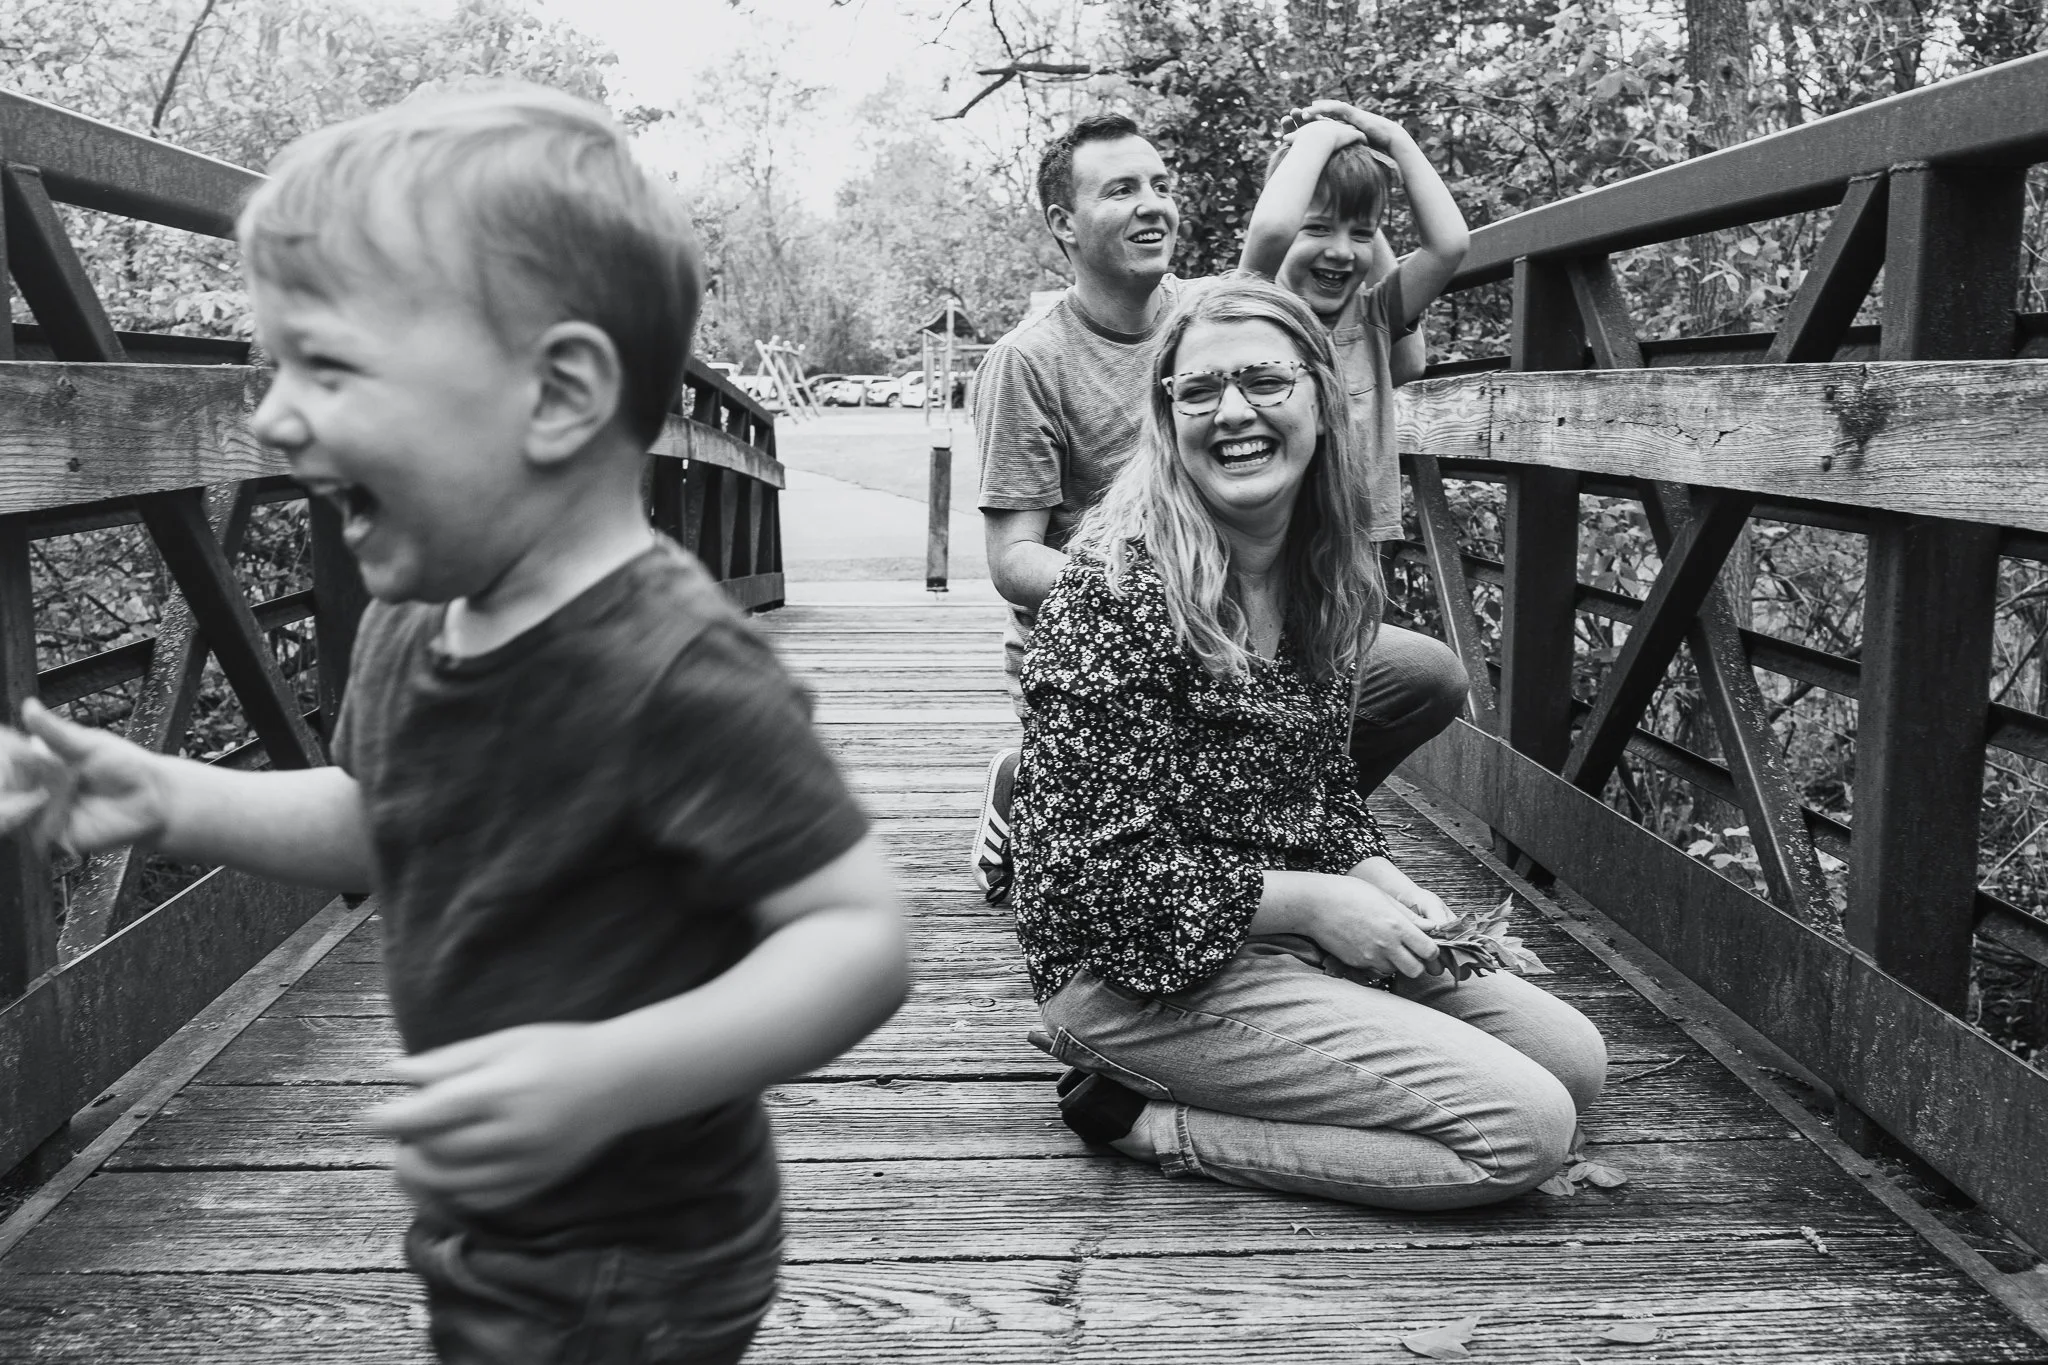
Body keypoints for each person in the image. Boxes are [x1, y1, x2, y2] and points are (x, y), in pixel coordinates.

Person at [0, 86, 908, 1365]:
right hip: (494, 1218)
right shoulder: (415, 618)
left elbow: (856, 938)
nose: (269, 416)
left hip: (635, 1252)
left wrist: (608, 1079)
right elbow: (391, 827)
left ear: (555, 395)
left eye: (325, 366)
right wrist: (167, 796)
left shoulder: (674, 667)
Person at [1012, 276, 1606, 1209]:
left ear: (1323, 402)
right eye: (1199, 391)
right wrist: (1318, 905)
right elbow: (1092, 883)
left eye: (1264, 381)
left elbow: (1321, 794)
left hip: (1263, 931)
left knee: (1574, 1063)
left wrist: (1402, 898)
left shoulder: (1319, 570)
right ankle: (1144, 1120)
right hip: (1130, 972)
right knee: (1519, 1131)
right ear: (1167, 420)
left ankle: (1306, 1040)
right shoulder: (1114, 589)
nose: (1233, 411)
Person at [970, 112, 1461, 904]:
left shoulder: (1215, 313)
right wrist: (1156, 601)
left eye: (1162, 186)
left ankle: (1275, 840)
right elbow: (1012, 558)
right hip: (1112, 648)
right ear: (1063, 223)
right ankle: (1033, 785)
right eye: (1122, 189)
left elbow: (1357, 309)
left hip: (1247, 628)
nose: (1152, 204)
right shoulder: (1029, 361)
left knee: (1426, 675)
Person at [1240, 99, 1470, 544]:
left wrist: (1393, 138)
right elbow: (1269, 231)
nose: (1343, 252)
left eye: (1361, 234)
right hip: (1265, 546)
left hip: (1356, 547)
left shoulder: (1374, 317)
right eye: (1318, 229)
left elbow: (1449, 246)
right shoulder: (1254, 307)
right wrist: (1317, 141)